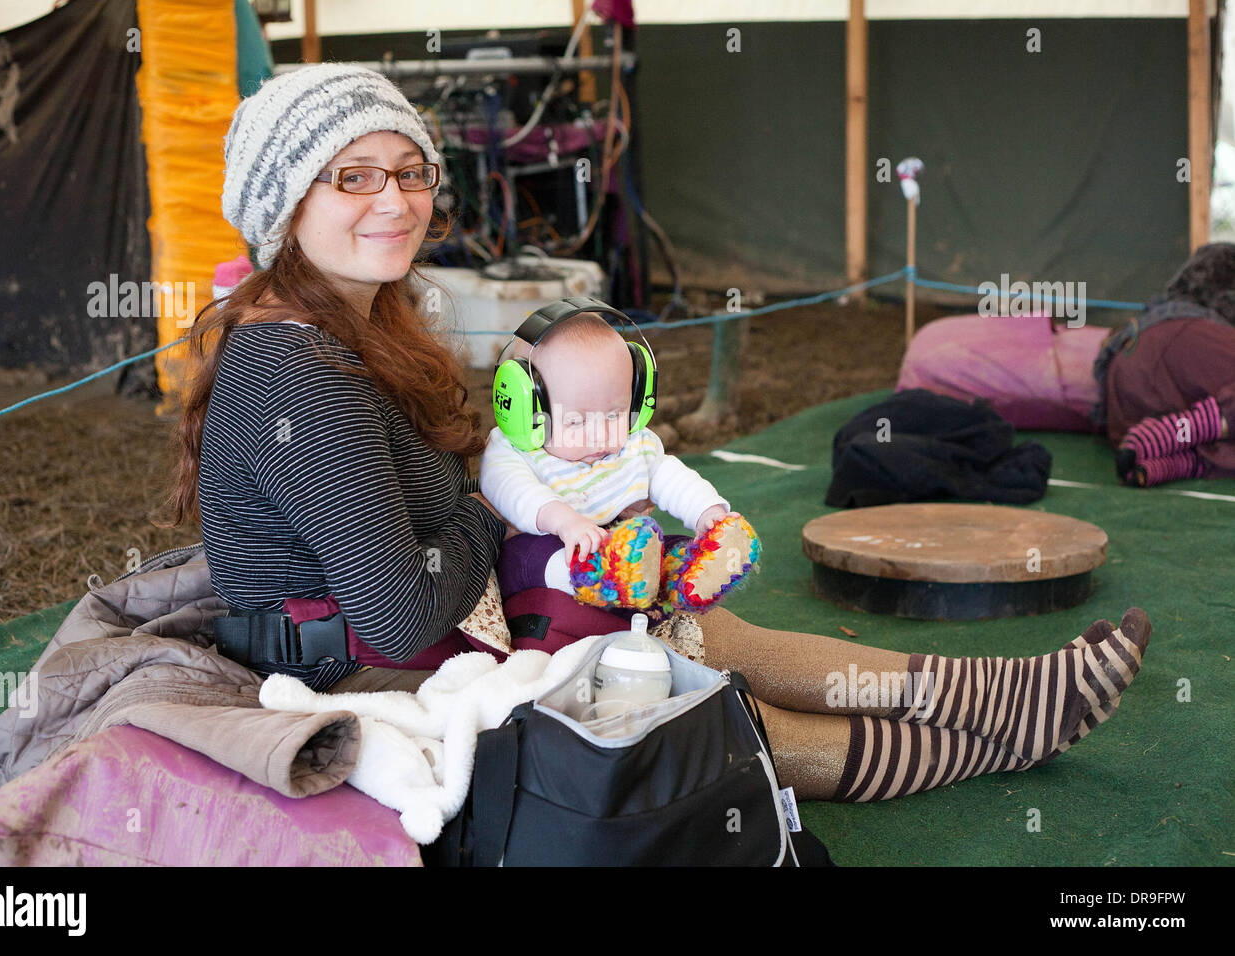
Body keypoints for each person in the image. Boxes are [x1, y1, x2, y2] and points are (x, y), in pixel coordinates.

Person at [162, 63, 1151, 805]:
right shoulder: (295, 364)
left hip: (449, 616)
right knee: (701, 700)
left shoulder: (357, 327)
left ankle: (1005, 691)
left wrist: (529, 522)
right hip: (377, 663)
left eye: (408, 169)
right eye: (351, 177)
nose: (394, 198)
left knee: (710, 629)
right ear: (284, 208)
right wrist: (495, 519)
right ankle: (992, 736)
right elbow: (397, 613)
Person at [480, 310, 761, 614]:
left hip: (619, 545)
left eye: (614, 414)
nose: (601, 436)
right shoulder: (514, 450)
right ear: (525, 409)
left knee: (660, 543)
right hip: (548, 543)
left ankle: (689, 571)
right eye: (576, 421)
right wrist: (566, 522)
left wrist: (707, 511)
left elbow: (668, 475)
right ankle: (608, 577)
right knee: (532, 557)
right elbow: (515, 491)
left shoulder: (632, 443)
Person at [1095, 242, 1235, 486]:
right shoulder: (1205, 329)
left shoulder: (1140, 328)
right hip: (1188, 347)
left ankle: (1183, 459)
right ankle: (1197, 428)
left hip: (1124, 403)